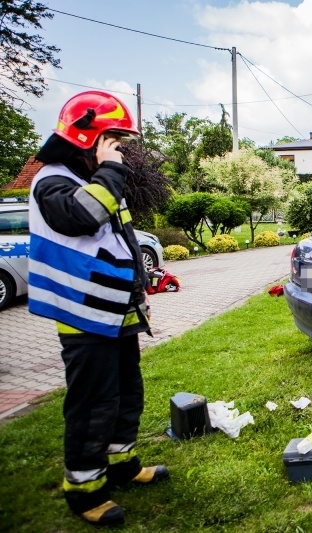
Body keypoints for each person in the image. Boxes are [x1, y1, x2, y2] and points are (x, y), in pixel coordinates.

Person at [27, 91, 168, 527]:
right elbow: (82, 218)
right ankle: (85, 491)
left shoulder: (95, 177)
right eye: (113, 138)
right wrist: (109, 170)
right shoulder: (52, 181)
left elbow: (122, 240)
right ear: (88, 137)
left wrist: (141, 292)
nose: (119, 148)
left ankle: (122, 466)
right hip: (83, 315)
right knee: (93, 403)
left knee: (127, 394)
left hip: (116, 310)